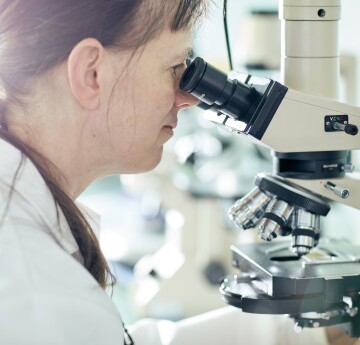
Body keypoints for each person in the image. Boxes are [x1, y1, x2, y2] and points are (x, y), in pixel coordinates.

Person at [0, 1, 358, 344]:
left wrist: (314, 335)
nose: (189, 98)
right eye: (175, 67)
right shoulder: (33, 289)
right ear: (91, 73)